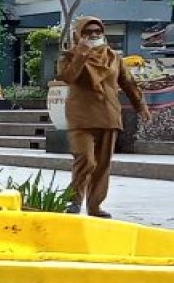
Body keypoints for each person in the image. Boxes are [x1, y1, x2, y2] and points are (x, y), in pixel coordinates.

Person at [56, 17, 151, 217]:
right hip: (81, 117)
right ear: (78, 34)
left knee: (102, 164)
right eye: (88, 31)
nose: (94, 35)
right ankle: (74, 200)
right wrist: (82, 53)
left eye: (97, 31)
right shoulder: (69, 56)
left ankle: (95, 206)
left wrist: (140, 106)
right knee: (86, 159)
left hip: (108, 116)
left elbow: (128, 83)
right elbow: (68, 77)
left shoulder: (113, 58)